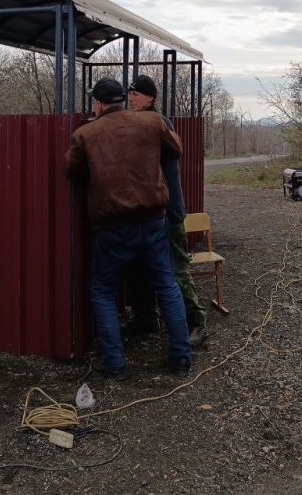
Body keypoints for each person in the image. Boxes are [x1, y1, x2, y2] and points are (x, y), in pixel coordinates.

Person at [64, 77, 192, 377]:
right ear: (123, 99)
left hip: (112, 226)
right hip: (153, 220)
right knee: (167, 284)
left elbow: (71, 170)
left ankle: (115, 364)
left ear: (97, 103)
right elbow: (175, 150)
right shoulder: (152, 123)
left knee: (103, 292)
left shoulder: (85, 134)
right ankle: (181, 357)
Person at [124, 75, 208, 347]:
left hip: (168, 211)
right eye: (130, 94)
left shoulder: (160, 124)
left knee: (176, 267)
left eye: (137, 94)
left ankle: (196, 322)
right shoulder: (139, 122)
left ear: (150, 98)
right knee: (138, 266)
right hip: (145, 211)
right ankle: (145, 317)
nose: (132, 98)